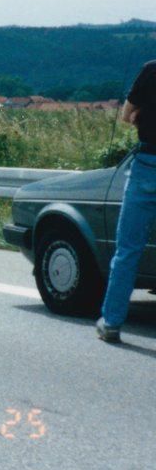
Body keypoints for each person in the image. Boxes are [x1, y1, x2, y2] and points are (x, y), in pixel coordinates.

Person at [96, 60, 156, 343]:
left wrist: (143, 115)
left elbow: (126, 116)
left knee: (128, 250)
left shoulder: (151, 70)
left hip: (147, 165)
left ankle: (111, 322)